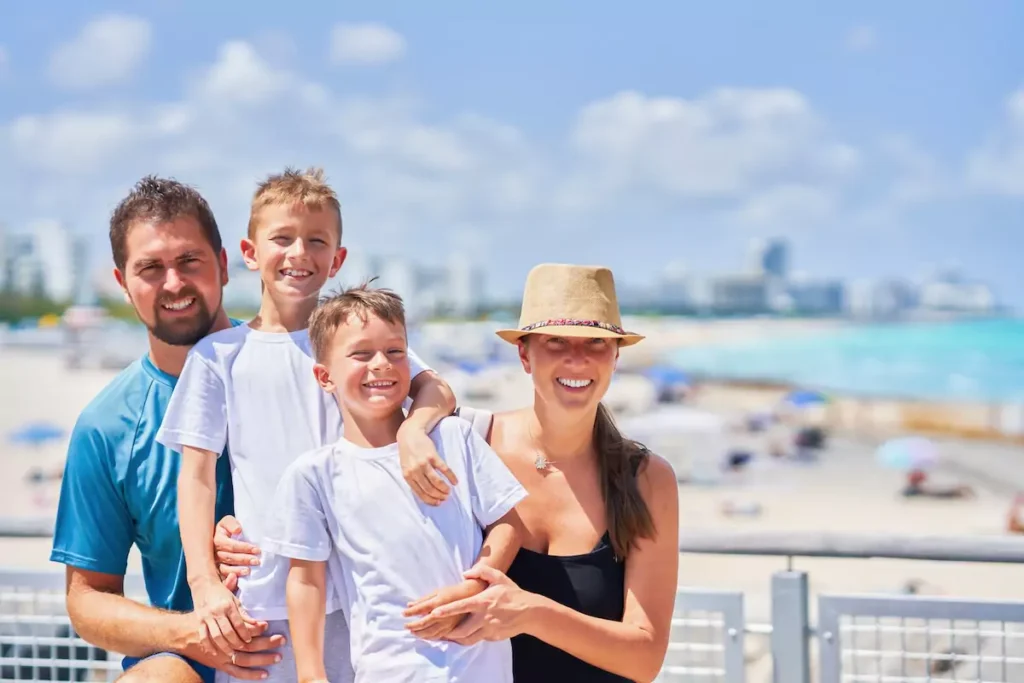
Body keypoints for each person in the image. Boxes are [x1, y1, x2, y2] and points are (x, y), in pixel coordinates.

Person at [155, 168, 456, 683]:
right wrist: (204, 581)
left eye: (317, 241)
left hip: (363, 582)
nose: (299, 253)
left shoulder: (356, 340)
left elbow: (437, 390)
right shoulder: (218, 356)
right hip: (266, 591)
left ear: (337, 259)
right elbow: (197, 476)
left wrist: (413, 429)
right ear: (250, 253)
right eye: (282, 238)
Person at [49, 176, 287, 683]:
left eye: (189, 262)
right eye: (151, 269)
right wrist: (193, 634)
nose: (174, 283)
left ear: (223, 265)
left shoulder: (298, 368)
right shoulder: (106, 426)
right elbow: (88, 598)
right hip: (193, 666)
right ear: (123, 282)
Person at [402, 263, 680, 682]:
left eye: (596, 343)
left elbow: (644, 659)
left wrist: (532, 613)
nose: (577, 358)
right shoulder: (466, 445)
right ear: (524, 354)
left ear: (616, 357)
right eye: (555, 341)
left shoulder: (646, 479)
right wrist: (411, 429)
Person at [262, 285, 527, 682]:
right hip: (388, 669)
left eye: (395, 351)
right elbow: (305, 579)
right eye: (361, 354)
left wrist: (475, 586)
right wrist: (311, 674)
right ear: (325, 376)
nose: (381, 364)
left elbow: (509, 524)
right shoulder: (315, 474)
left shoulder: (454, 438)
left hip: (480, 667)